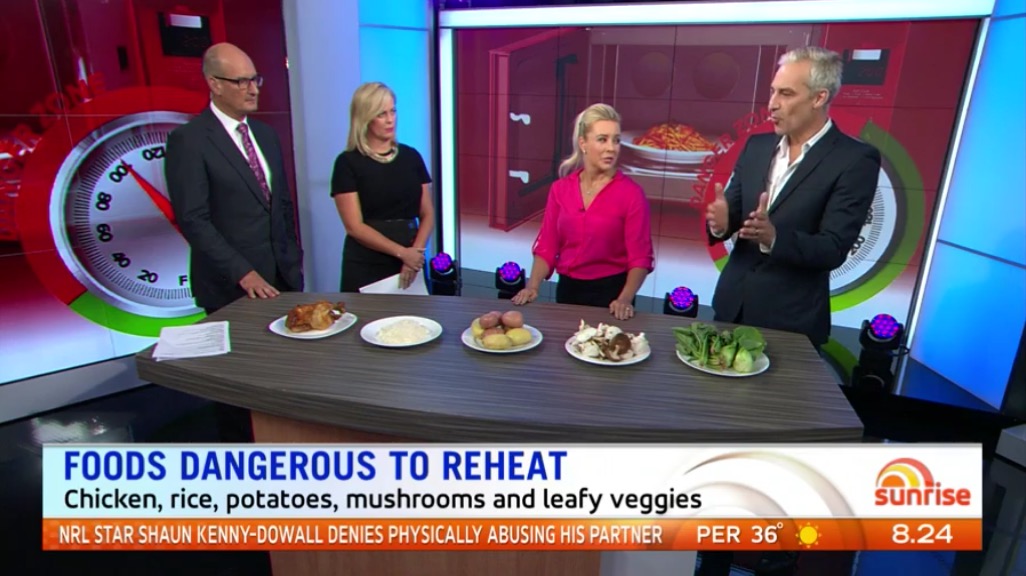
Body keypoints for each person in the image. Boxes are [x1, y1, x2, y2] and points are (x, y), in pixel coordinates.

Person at [707, 46, 881, 348]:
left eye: (786, 94)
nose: (772, 104)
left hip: (791, 323)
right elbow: (733, 214)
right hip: (730, 310)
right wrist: (720, 225)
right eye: (772, 92)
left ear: (819, 98)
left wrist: (774, 238)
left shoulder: (854, 159)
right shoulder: (756, 147)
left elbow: (833, 248)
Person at [166, 42, 303, 315]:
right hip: (230, 287)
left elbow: (281, 204)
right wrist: (243, 273)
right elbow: (193, 220)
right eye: (242, 82)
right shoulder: (189, 141)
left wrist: (293, 256)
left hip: (283, 279)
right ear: (215, 84)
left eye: (255, 79)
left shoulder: (266, 135)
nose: (254, 90)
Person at [511, 103, 654, 321]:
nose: (611, 148)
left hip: (612, 297)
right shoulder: (560, 189)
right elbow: (547, 245)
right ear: (583, 143)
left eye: (616, 140)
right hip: (568, 292)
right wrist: (533, 286)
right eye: (602, 139)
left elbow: (640, 258)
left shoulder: (632, 194)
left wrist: (625, 299)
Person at [331, 82, 435, 292]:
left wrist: (414, 254)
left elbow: (428, 213)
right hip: (367, 263)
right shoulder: (347, 163)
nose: (390, 120)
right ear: (365, 118)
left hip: (411, 261)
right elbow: (354, 227)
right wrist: (402, 253)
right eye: (381, 114)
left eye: (393, 111)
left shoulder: (411, 157)